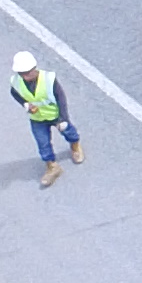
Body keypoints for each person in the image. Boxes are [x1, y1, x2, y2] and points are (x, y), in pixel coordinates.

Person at [10, 52, 83, 186]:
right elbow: (14, 93)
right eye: (21, 74)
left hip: (55, 115)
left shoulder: (48, 79)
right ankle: (52, 166)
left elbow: (61, 98)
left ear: (34, 68)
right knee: (42, 143)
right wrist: (25, 104)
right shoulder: (16, 82)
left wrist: (63, 119)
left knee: (69, 132)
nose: (25, 76)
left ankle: (75, 146)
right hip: (37, 118)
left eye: (27, 73)